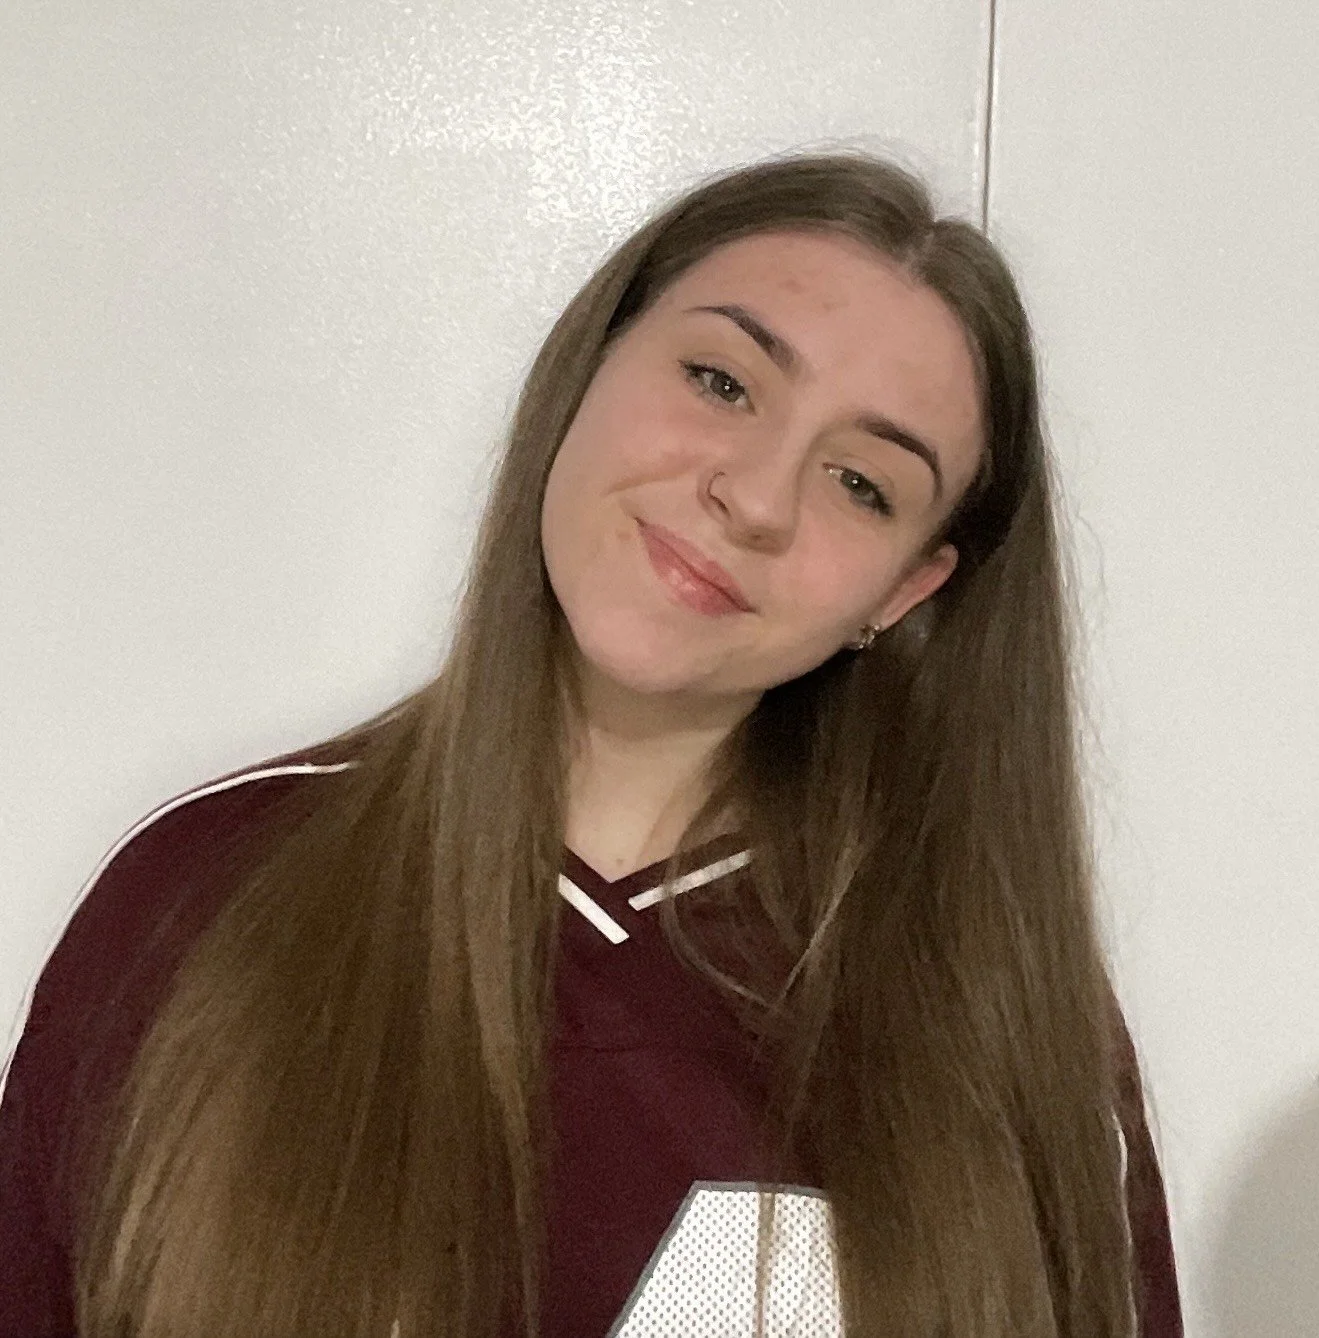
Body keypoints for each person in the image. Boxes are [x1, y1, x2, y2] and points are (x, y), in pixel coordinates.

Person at [0, 151, 1182, 1338]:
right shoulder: (203, 894)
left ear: (905, 589)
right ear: (585, 368)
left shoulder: (998, 1014)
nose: (757, 498)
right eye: (721, 382)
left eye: (861, 483)